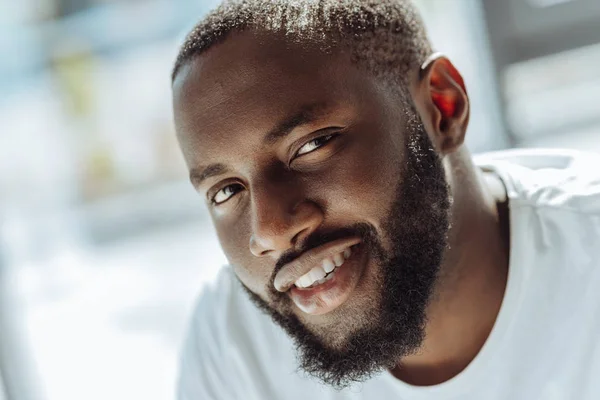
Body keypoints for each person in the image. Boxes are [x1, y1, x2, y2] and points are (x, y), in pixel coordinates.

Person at [170, 1, 600, 398]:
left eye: (312, 145)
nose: (270, 231)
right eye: (226, 190)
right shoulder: (233, 345)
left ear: (441, 108)